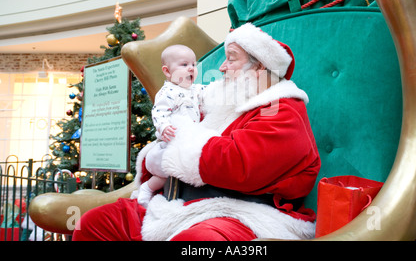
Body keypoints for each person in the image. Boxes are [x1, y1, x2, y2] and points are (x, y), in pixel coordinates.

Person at [72, 23, 321, 241]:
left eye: (231, 58)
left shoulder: (280, 109)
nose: (222, 67)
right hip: (174, 204)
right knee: (94, 224)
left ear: (259, 69)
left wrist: (173, 150)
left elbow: (238, 163)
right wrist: (154, 158)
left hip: (239, 213)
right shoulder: (219, 104)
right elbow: (171, 137)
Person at [136, 44, 204, 208]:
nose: (191, 69)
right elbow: (159, 112)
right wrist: (164, 127)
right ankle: (147, 188)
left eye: (193, 65)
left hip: (187, 141)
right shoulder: (168, 92)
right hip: (169, 143)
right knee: (165, 172)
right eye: (184, 64)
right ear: (167, 71)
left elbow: (211, 93)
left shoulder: (196, 89)